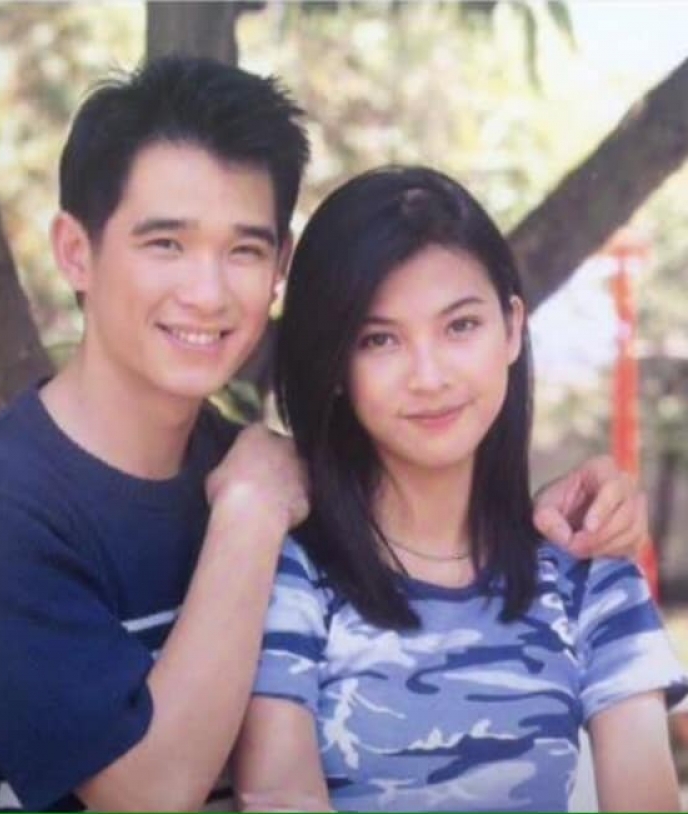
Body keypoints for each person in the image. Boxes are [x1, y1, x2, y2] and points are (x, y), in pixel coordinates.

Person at [0, 57, 649, 812]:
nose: (208, 292)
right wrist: (248, 513)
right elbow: (148, 794)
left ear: (280, 265)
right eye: (166, 244)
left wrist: (575, 510)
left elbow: (430, 516)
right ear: (75, 252)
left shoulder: (266, 472)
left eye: (244, 251)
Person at [232, 166, 687, 812]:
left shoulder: (587, 572)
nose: (429, 376)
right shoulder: (291, 577)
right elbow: (278, 796)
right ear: (334, 367)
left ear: (512, 327)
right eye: (379, 339)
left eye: (460, 326)